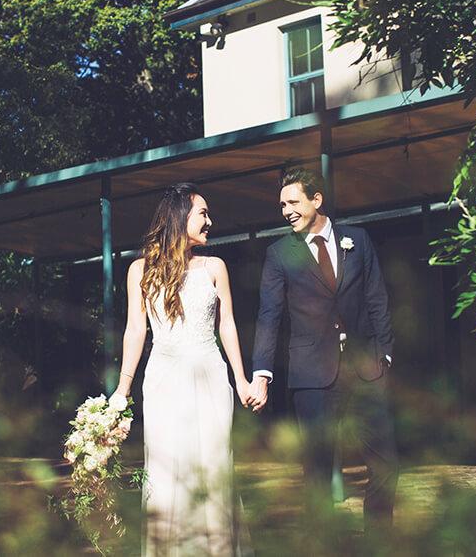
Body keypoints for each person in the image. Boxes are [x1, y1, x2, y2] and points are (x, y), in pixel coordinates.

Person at [248, 167, 399, 535]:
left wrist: (385, 355)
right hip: (311, 376)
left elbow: (377, 298)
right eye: (282, 205)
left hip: (366, 371)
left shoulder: (358, 240)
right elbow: (269, 315)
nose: (286, 211)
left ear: (317, 200)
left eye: (293, 202)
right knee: (317, 471)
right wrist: (261, 373)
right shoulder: (280, 253)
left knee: (386, 465)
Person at [111, 182, 252, 556]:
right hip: (163, 380)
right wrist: (122, 389)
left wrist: (240, 378)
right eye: (203, 213)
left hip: (210, 374)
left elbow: (228, 325)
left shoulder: (215, 267)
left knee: (213, 467)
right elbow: (135, 329)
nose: (210, 221)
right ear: (179, 217)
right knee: (167, 471)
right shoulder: (139, 270)